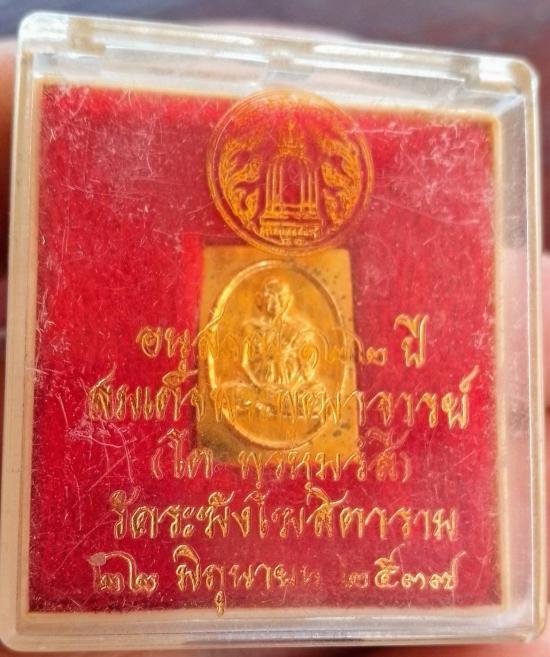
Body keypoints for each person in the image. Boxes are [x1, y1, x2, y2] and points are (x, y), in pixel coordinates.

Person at [0, 39, 548, 657]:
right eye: (268, 302)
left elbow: (310, 357)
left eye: (277, 301)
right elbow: (248, 357)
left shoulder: (305, 327)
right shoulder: (254, 325)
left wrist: (292, 363)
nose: (272, 306)